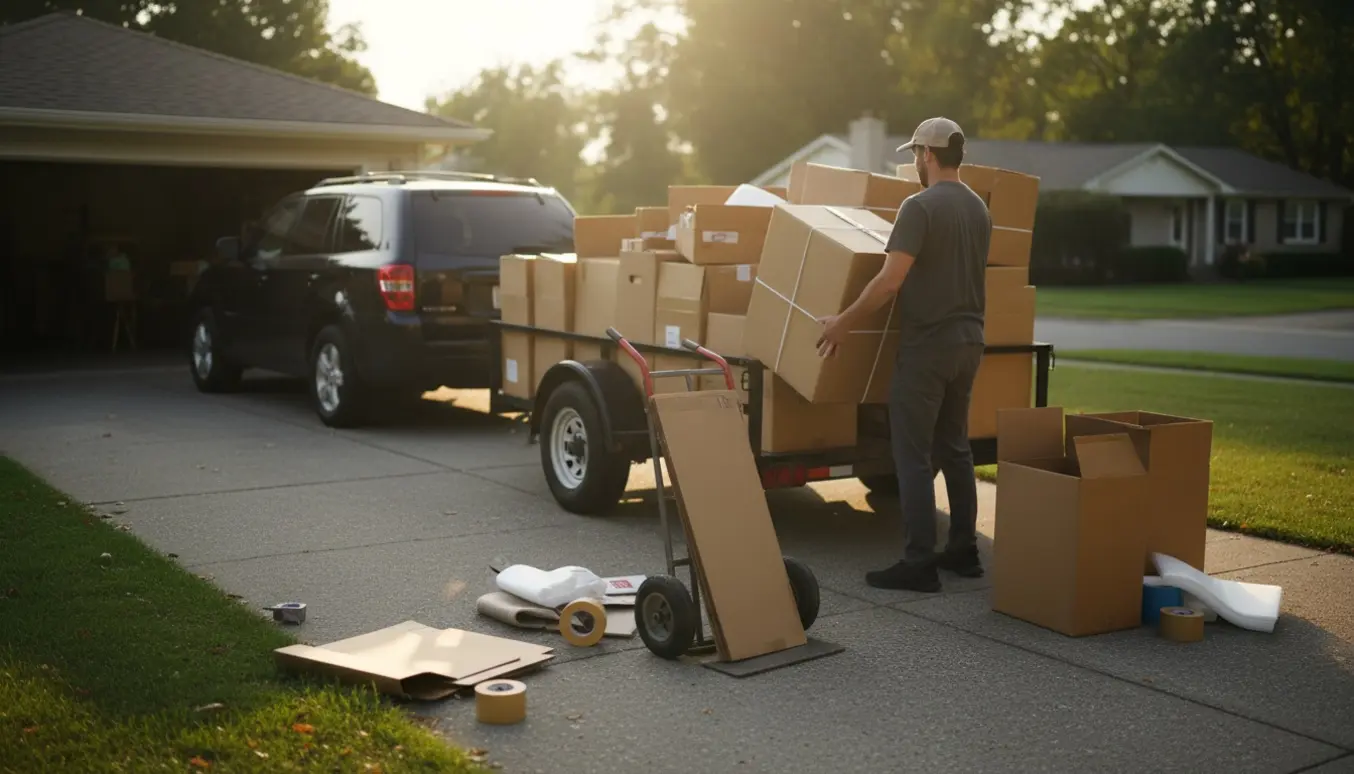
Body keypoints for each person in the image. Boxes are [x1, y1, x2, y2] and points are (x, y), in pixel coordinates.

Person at [816, 117, 990, 593]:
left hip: (928, 346)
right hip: (969, 342)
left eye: (916, 154)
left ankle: (919, 562)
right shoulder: (978, 208)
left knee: (911, 454)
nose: (915, 162)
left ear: (927, 156)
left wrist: (843, 323)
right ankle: (963, 550)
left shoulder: (919, 207)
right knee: (955, 447)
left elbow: (890, 280)